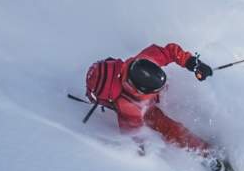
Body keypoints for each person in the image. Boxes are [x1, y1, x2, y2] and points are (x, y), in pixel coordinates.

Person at [86, 42, 215, 153]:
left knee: (177, 98)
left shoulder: (146, 59)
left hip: (141, 95)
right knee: (168, 127)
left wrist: (191, 62)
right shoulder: (129, 107)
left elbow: (170, 52)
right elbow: (133, 135)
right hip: (144, 107)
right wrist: (142, 148)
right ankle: (203, 150)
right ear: (141, 91)